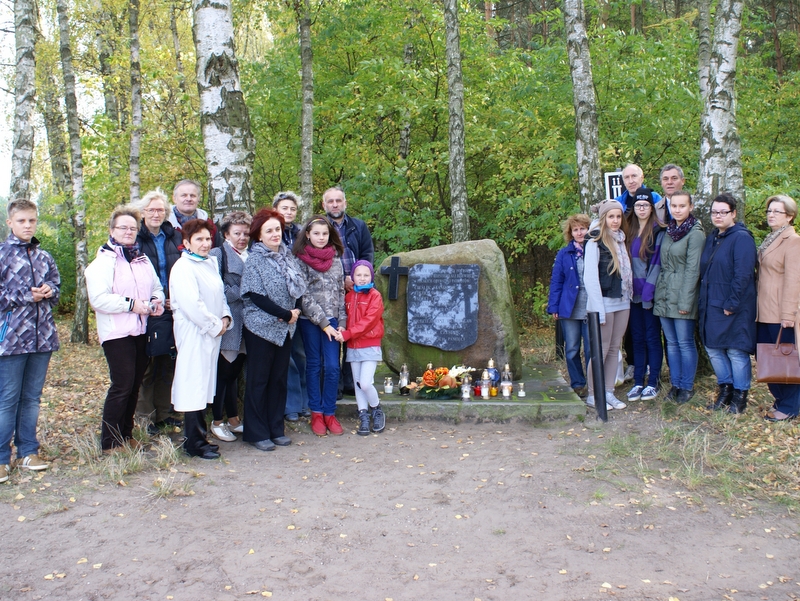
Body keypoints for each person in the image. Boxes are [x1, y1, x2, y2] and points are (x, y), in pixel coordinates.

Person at [86, 206, 165, 453]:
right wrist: (132, 305)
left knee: (134, 386)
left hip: (140, 331)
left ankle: (126, 435)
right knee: (121, 385)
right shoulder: (102, 262)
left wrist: (154, 301)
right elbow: (98, 299)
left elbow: (156, 287)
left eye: (133, 228)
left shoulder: (141, 259)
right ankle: (109, 442)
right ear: (112, 230)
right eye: (123, 227)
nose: (128, 231)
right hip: (116, 332)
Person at [0, 199, 60, 481]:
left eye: (32, 221)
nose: (27, 225)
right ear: (10, 222)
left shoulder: (44, 256)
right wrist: (26, 296)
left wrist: (50, 289)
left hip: (42, 338)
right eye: (22, 221)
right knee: (7, 399)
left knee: (31, 399)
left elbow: (57, 287)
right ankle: (2, 458)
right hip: (10, 340)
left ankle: (27, 452)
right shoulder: (2, 255)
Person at [240, 208, 306, 451]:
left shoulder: (287, 256)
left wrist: (295, 311)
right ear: (259, 235)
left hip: (286, 328)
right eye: (269, 230)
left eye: (277, 229)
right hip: (261, 327)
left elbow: (297, 287)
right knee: (259, 381)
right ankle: (257, 433)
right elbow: (255, 295)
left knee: (278, 380)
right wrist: (286, 314)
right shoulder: (255, 260)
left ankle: (275, 428)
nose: (275, 234)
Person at [170, 219, 231, 459]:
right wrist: (215, 326)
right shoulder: (183, 268)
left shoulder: (209, 264)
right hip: (195, 333)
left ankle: (200, 437)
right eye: (199, 240)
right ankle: (193, 442)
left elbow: (220, 294)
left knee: (204, 384)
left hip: (212, 333)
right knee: (193, 384)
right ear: (186, 243)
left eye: (208, 239)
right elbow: (191, 305)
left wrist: (225, 318)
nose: (205, 244)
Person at [699, 193, 757, 414]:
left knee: (735, 350)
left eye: (723, 212)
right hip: (711, 303)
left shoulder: (741, 238)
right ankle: (726, 390)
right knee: (713, 348)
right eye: (715, 212)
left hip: (734, 305)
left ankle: (740, 396)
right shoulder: (713, 237)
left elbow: (743, 275)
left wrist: (731, 303)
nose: (718, 216)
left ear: (733, 213)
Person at [134, 189, 184, 434]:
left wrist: (174, 297)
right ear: (143, 212)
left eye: (160, 210)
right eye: (151, 210)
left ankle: (165, 413)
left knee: (168, 361)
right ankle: (145, 417)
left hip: (173, 307)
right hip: (147, 309)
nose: (156, 214)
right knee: (148, 364)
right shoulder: (136, 238)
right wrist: (155, 299)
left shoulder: (173, 236)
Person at [294, 215, 348, 436]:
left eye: (324, 234)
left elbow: (341, 292)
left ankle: (329, 412)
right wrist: (324, 323)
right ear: (307, 234)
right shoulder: (300, 260)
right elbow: (303, 296)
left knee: (333, 367)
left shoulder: (336, 260)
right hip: (311, 321)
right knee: (314, 365)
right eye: (316, 233)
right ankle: (316, 413)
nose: (321, 237)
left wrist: (342, 322)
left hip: (334, 322)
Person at [653, 190, 704, 404]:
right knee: (671, 343)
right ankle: (675, 384)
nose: (677, 210)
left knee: (684, 342)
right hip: (664, 295)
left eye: (682, 206)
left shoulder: (695, 233)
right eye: (674, 206)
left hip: (683, 295)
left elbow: (693, 271)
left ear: (690, 207)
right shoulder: (668, 231)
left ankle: (686, 386)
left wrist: (685, 302)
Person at [322, 186, 373, 397]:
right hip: (330, 291)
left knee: (353, 333)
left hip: (357, 288)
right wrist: (339, 279)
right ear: (324, 205)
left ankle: (352, 380)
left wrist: (359, 278)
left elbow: (367, 253)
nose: (335, 204)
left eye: (338, 200)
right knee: (333, 334)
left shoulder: (358, 226)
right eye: (330, 201)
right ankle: (336, 385)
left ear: (345, 203)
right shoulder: (319, 227)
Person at [583, 199, 631, 411]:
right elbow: (590, 278)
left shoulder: (621, 240)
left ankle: (608, 391)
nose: (615, 221)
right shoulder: (595, 242)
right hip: (604, 303)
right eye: (611, 217)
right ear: (603, 218)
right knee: (600, 350)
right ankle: (594, 393)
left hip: (623, 301)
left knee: (614, 349)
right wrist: (598, 309)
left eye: (618, 217)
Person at [755, 195, 800, 421]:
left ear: (790, 217)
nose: (771, 215)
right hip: (763, 311)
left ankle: (790, 407)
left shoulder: (793, 241)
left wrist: (788, 315)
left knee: (785, 360)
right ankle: (782, 400)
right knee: (767, 359)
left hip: (781, 313)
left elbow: (794, 281)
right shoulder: (771, 239)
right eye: (769, 211)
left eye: (777, 212)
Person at [207, 211, 251, 442]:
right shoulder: (218, 254)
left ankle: (233, 418)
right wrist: (244, 293)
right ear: (226, 234)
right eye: (237, 233)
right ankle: (217, 421)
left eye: (245, 233)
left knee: (234, 373)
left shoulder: (251, 255)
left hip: (248, 323)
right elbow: (217, 288)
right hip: (230, 321)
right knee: (223, 373)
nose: (242, 237)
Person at [625, 188, 665, 402]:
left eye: (646, 205)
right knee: (637, 338)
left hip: (649, 294)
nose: (642, 209)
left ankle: (653, 381)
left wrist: (649, 292)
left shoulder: (658, 230)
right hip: (632, 295)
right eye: (638, 205)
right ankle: (639, 380)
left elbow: (657, 264)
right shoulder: (628, 230)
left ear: (652, 208)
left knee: (652, 338)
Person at [337, 260, 386, 435]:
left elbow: (368, 322)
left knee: (365, 383)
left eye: (366, 275)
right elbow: (344, 316)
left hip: (370, 345)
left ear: (371, 276)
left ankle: (376, 408)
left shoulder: (375, 296)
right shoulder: (348, 296)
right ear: (353, 277)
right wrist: (342, 328)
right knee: (358, 385)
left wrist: (348, 334)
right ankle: (363, 415)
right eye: (359, 275)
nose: (362, 278)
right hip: (353, 347)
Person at [273, 191, 310, 422]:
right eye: (284, 208)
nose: (288, 212)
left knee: (300, 354)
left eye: (292, 209)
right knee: (285, 358)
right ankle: (291, 406)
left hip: (299, 301)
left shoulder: (300, 234)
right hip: (277, 305)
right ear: (275, 208)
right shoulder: (267, 231)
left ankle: (305, 402)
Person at [547, 213, 592, 397]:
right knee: (572, 348)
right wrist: (554, 306)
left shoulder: (596, 249)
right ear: (570, 233)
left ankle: (595, 383)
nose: (580, 232)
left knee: (592, 348)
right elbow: (556, 281)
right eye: (576, 229)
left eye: (583, 228)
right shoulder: (564, 253)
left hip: (591, 307)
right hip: (570, 308)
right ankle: (578, 383)